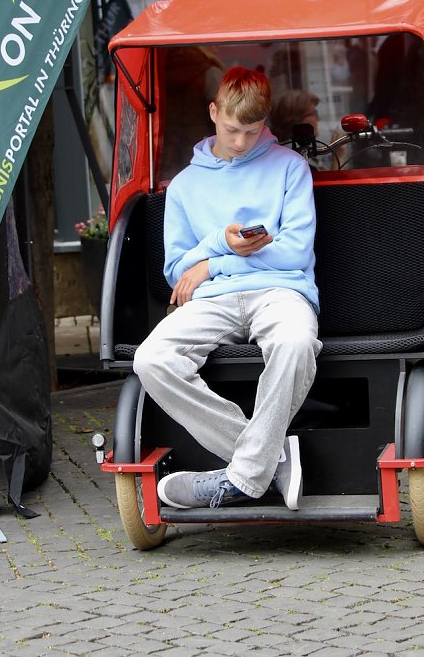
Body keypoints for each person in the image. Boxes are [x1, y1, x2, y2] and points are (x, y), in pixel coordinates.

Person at [133, 66, 321, 511]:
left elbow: (294, 252)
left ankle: (242, 476)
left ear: (265, 123)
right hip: (214, 299)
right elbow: (178, 271)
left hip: (281, 290)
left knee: (295, 342)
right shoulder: (184, 186)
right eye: (233, 129)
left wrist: (216, 258)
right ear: (213, 112)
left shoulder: (290, 168)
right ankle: (270, 461)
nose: (240, 142)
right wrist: (221, 243)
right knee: (151, 359)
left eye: (252, 132)